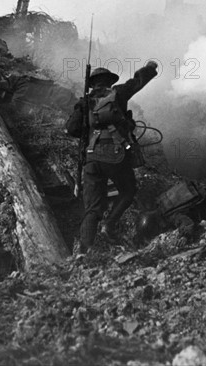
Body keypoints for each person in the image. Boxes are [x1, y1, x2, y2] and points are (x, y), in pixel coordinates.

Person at [67, 61, 158, 255]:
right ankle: (109, 225)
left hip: (91, 158)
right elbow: (137, 82)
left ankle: (84, 253)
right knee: (128, 190)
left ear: (92, 84)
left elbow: (72, 129)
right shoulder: (118, 93)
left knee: (92, 208)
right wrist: (150, 67)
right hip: (115, 155)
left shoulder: (84, 102)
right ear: (109, 82)